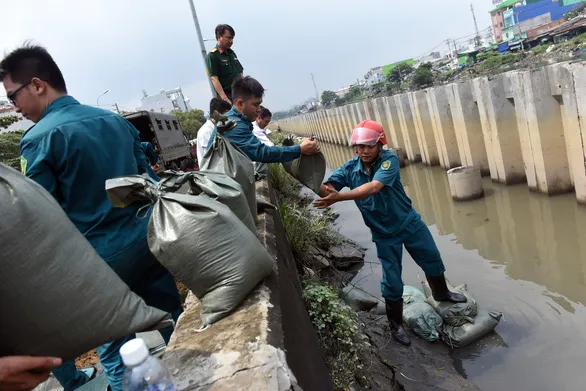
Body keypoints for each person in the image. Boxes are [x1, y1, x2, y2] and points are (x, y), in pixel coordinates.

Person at [0, 44, 182, 391]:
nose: (14, 107)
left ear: (38, 85)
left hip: (98, 263)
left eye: (13, 96)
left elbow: (41, 217)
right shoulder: (112, 120)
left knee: (116, 353)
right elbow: (149, 181)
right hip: (147, 241)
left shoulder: (39, 139)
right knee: (172, 322)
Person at [313, 120, 466, 347]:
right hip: (384, 233)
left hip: (409, 223)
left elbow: (374, 187)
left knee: (432, 259)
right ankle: (396, 326)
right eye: (360, 146)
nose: (364, 151)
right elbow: (328, 187)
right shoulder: (349, 168)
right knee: (392, 280)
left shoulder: (389, 161)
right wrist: (319, 182)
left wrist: (340, 197)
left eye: (369, 146)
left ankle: (442, 293)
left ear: (379, 144)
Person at [208, 76, 320, 163]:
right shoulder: (234, 125)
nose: (259, 110)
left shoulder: (234, 119)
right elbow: (262, 152)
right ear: (240, 103)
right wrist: (299, 149)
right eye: (255, 105)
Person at [206, 24, 243, 104]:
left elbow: (240, 73)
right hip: (228, 97)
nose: (231, 41)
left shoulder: (231, 53)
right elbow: (214, 79)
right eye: (228, 38)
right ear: (219, 37)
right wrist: (225, 98)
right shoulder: (213, 55)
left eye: (232, 38)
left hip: (240, 95)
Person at [196, 97, 231, 164]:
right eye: (227, 114)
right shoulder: (205, 132)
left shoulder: (218, 127)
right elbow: (212, 157)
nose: (228, 118)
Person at [252, 106, 274, 179]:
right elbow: (270, 146)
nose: (267, 124)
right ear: (258, 118)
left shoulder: (256, 128)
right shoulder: (255, 130)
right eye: (266, 121)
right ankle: (259, 175)